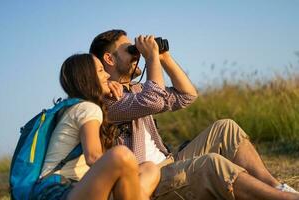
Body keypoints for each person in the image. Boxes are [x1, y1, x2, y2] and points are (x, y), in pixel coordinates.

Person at [89, 29, 299, 200]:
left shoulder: (136, 89)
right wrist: (150, 56)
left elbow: (187, 96)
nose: (137, 54)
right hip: (147, 180)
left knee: (226, 128)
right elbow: (152, 101)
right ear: (109, 58)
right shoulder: (106, 99)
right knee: (210, 164)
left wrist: (164, 58)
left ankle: (278, 187)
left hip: (169, 162)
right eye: (130, 49)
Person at [31, 54, 160, 200]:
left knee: (149, 168)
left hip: (77, 187)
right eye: (100, 71)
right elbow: (93, 157)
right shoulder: (87, 108)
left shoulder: (73, 106)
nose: (107, 75)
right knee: (121, 155)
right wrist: (124, 173)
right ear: (87, 78)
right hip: (58, 191)